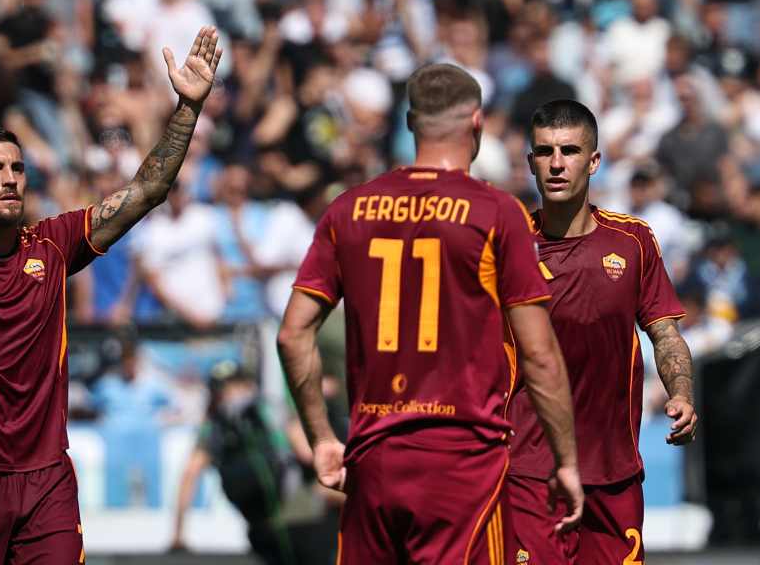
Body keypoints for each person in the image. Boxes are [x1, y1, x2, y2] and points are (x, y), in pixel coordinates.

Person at [0, 20, 223, 562]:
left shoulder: (52, 244)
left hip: (46, 478)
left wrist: (187, 108)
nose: (10, 178)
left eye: (17, 167)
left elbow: (147, 192)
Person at [278, 63, 582, 564]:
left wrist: (322, 439)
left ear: (410, 124)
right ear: (477, 124)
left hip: (373, 459)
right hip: (462, 463)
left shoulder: (349, 210)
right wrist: (566, 460)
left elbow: (292, 335)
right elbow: (539, 353)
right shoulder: (496, 212)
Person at [506, 99, 699, 564]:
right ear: (530, 161)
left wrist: (682, 393)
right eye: (544, 152)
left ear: (594, 161)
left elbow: (666, 333)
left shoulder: (633, 241)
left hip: (614, 473)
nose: (556, 164)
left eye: (569, 151)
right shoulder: (508, 248)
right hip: (531, 471)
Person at [171, 361, 296, 564]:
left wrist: (178, 533)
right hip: (283, 519)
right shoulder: (223, 424)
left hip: (286, 517)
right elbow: (190, 474)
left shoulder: (268, 411)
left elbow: (190, 474)